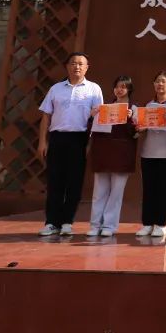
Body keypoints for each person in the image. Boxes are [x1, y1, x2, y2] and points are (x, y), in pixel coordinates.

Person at [37, 52, 104, 236]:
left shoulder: (94, 89)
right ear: (67, 66)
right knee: (54, 181)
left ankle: (67, 221)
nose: (77, 67)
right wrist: (42, 142)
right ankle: (52, 222)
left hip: (79, 139)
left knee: (74, 182)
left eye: (81, 64)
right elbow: (46, 116)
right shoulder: (56, 89)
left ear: (87, 67)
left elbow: (99, 119)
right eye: (73, 63)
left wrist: (90, 144)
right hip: (57, 138)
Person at [86, 75, 138, 238]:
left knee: (116, 193)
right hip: (103, 153)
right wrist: (92, 116)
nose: (119, 90)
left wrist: (131, 118)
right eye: (117, 86)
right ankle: (95, 225)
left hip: (122, 155)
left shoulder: (134, 109)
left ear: (129, 89)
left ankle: (109, 225)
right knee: (99, 191)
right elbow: (93, 131)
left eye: (123, 86)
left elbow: (136, 133)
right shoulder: (104, 108)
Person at [135, 71, 166, 238]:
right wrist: (140, 127)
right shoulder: (148, 105)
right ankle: (147, 223)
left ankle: (161, 224)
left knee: (163, 189)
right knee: (148, 189)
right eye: (157, 81)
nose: (160, 84)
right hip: (148, 152)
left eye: (163, 81)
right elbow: (141, 128)